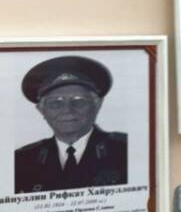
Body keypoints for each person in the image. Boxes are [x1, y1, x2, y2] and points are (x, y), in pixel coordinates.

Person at [14, 55, 128, 194]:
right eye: (56, 103)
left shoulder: (124, 150)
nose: (67, 110)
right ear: (41, 110)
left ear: (97, 104)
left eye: (79, 101)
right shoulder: (22, 160)